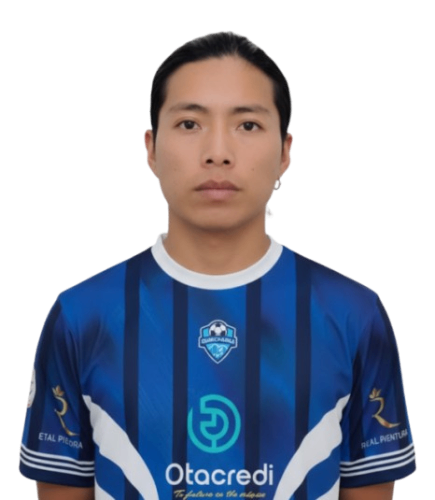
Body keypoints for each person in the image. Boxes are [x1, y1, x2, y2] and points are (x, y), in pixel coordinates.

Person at [18, 30, 417, 499]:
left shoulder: (353, 313)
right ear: (150, 147)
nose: (218, 152)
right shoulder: (81, 315)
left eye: (247, 125)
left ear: (286, 151)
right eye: (190, 124)